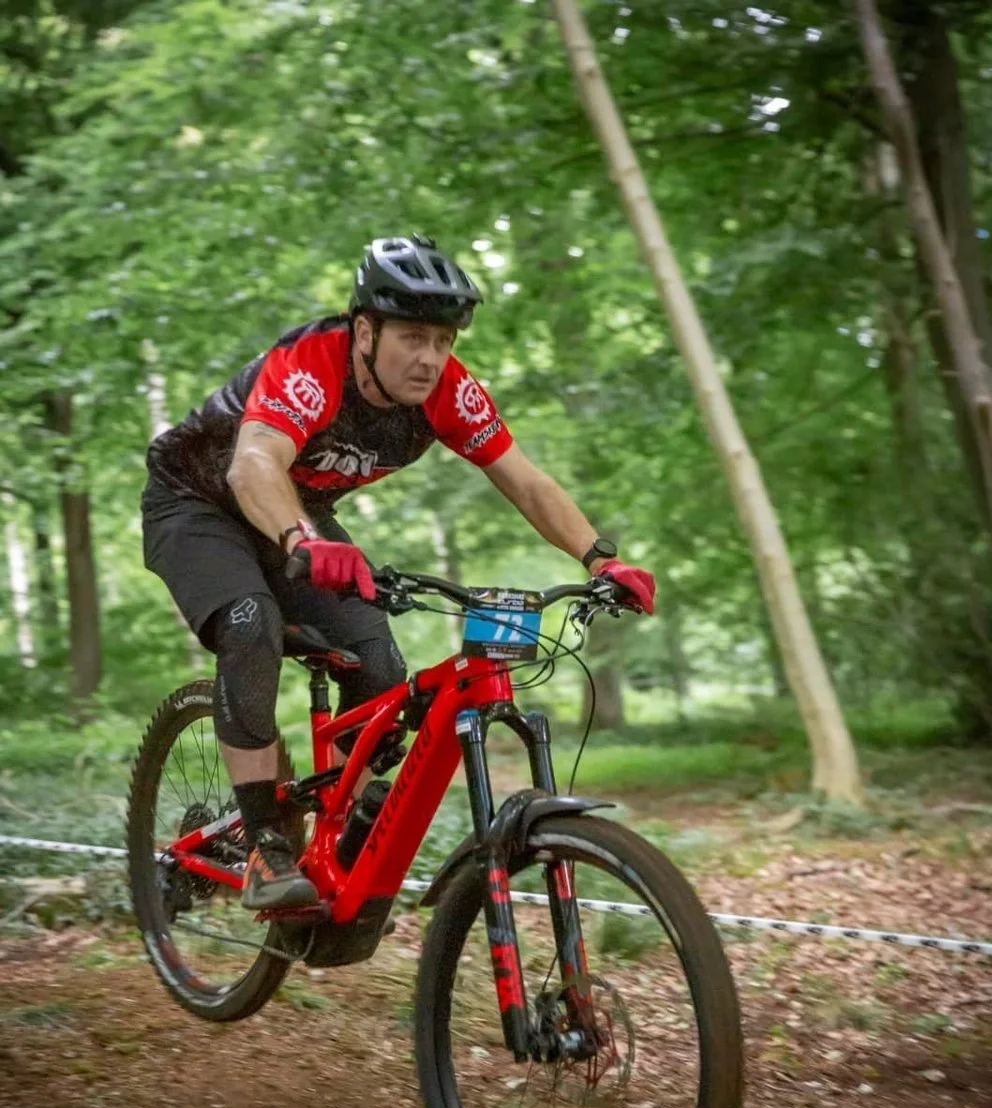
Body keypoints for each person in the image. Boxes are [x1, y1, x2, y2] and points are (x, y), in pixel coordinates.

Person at [142, 234, 656, 912]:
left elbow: (525, 481)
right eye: (412, 337)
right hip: (196, 503)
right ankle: (266, 846)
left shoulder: (448, 391)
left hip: (297, 513)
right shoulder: (310, 367)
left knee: (380, 667)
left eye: (442, 341)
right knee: (250, 622)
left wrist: (600, 557)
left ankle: (339, 836)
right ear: (364, 329)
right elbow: (252, 464)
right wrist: (302, 537)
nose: (430, 359)